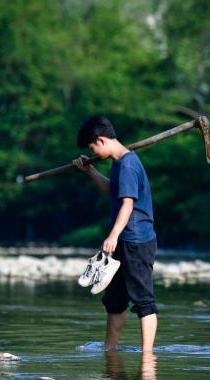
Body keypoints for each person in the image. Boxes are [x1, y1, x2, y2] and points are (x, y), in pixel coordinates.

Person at [73, 116, 158, 353]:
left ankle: (147, 356)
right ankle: (109, 349)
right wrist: (90, 170)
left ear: (101, 140)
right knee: (115, 302)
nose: (92, 152)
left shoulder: (129, 164)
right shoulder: (119, 163)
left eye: (91, 149)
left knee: (143, 301)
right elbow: (112, 190)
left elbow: (127, 204)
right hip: (124, 239)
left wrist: (112, 236)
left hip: (136, 240)